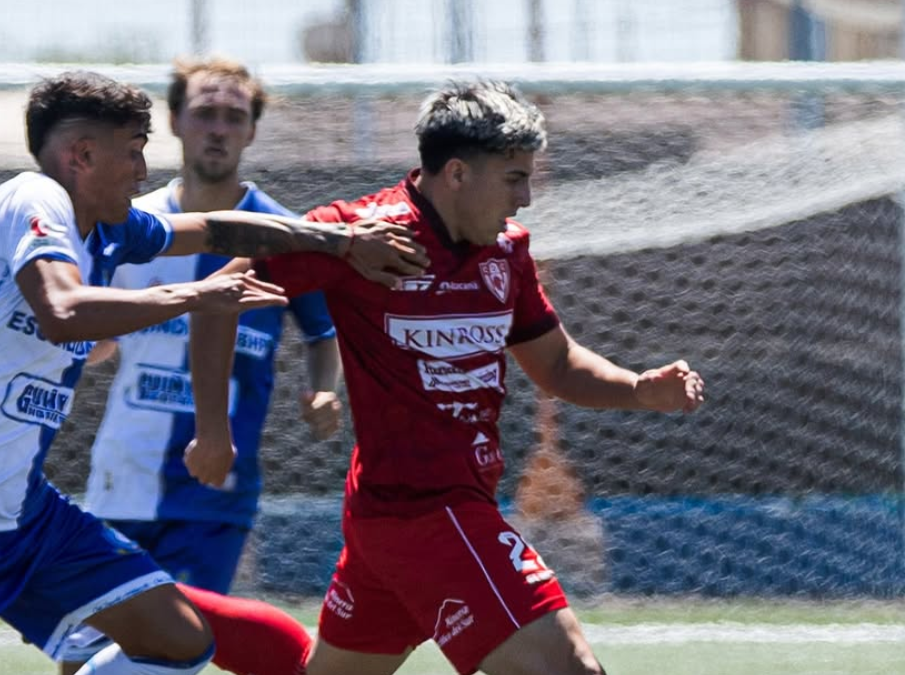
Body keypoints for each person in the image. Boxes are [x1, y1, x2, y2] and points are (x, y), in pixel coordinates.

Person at [0, 70, 427, 675]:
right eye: (132, 153)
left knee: (178, 637)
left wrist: (336, 240)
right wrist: (197, 296)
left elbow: (216, 228)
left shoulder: (109, 228)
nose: (141, 171)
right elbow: (62, 312)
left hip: (23, 511)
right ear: (81, 155)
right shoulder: (31, 197)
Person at [187, 81, 706, 675]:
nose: (527, 197)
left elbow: (557, 365)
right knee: (569, 670)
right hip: (431, 515)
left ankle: (144, 603)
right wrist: (212, 428)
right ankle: (133, 601)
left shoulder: (504, 252)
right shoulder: (361, 236)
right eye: (514, 178)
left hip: (394, 521)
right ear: (457, 174)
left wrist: (638, 388)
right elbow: (216, 297)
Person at [59, 56, 342, 674]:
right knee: (79, 659)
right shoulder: (131, 230)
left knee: (171, 654)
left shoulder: (281, 234)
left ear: (251, 132)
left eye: (233, 117)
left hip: (212, 493)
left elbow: (323, 334)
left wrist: (323, 392)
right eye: (205, 113)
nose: (218, 128)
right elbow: (88, 328)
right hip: (119, 475)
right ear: (176, 123)